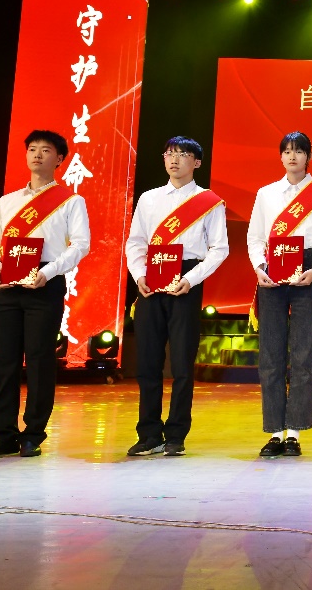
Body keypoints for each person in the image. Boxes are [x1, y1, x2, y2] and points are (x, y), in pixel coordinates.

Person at [0, 130, 91, 458]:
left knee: (40, 361)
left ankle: (33, 434)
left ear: (60, 159)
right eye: (32, 149)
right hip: (6, 285)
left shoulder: (70, 202)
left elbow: (81, 245)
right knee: (4, 363)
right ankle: (3, 434)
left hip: (44, 283)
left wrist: (48, 272)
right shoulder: (7, 202)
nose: (37, 154)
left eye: (46, 150)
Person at [124, 136, 230, 458]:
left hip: (186, 280)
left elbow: (219, 249)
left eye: (182, 154)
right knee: (148, 362)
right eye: (169, 153)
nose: (174, 159)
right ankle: (149, 434)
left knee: (182, 364)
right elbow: (136, 242)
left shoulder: (209, 202)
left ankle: (176, 434)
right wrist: (139, 275)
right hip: (151, 279)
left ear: (196, 162)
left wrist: (190, 279)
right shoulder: (149, 199)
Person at [246, 131, 312, 458]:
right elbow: (255, 237)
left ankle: (294, 433)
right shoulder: (266, 194)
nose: (292, 156)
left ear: (308, 156)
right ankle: (274, 431)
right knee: (271, 354)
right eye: (287, 151)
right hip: (272, 271)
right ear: (280, 156)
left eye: (298, 151)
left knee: (303, 354)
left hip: (307, 270)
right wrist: (259, 267)